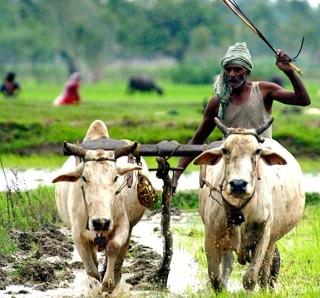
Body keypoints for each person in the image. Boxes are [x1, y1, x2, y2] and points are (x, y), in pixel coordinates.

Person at [173, 41, 310, 193]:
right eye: (228, 69)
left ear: (247, 71)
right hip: (230, 159)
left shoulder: (264, 90)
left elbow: (303, 100)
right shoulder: (217, 102)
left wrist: (289, 72)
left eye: (237, 69)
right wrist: (177, 174)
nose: (232, 74)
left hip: (260, 156)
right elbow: (197, 140)